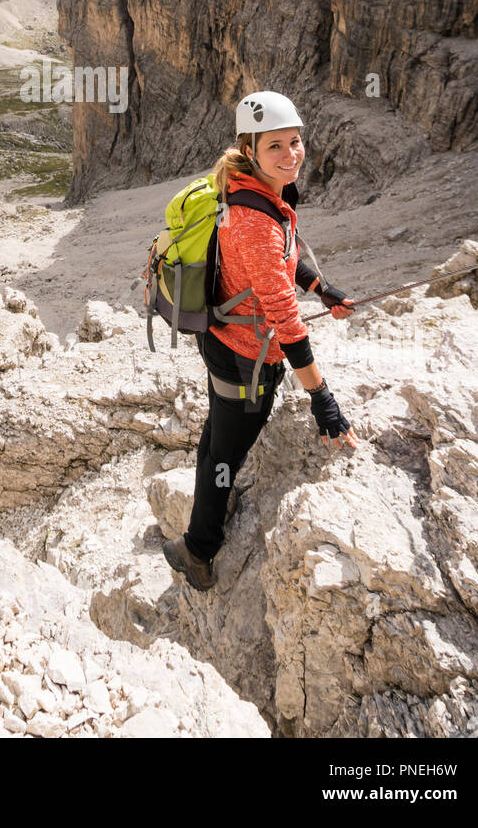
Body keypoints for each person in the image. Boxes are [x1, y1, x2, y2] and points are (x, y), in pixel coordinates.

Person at [162, 90, 359, 591]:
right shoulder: (255, 220)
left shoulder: (249, 190)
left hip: (225, 346)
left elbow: (277, 266)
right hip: (245, 361)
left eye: (296, 142)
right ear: (250, 149)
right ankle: (198, 549)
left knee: (217, 439)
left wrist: (321, 286)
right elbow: (287, 322)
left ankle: (210, 497)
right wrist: (322, 398)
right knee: (226, 457)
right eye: (276, 146)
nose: (291, 154)